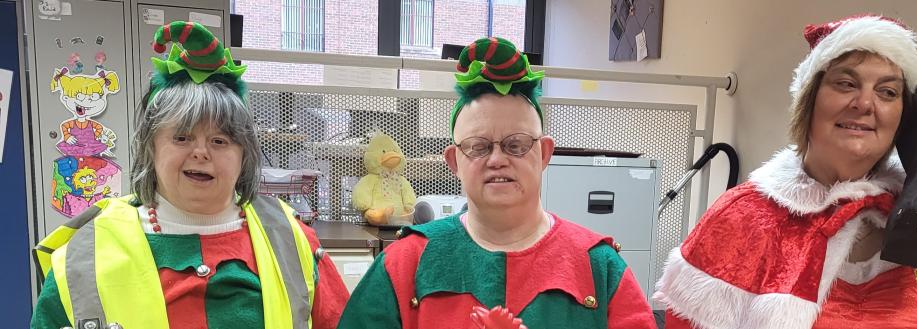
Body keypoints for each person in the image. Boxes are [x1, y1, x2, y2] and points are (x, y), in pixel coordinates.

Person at [653, 15, 917, 328]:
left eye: (888, 92)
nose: (865, 104)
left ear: (904, 117)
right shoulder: (739, 220)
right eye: (845, 83)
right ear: (809, 101)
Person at [30, 21, 350, 329]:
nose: (201, 152)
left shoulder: (290, 239)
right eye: (182, 138)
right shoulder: (88, 253)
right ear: (151, 147)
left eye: (220, 141)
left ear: (244, 155)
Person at [338, 37, 657, 328]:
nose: (497, 159)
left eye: (516, 144)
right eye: (478, 146)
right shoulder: (406, 262)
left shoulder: (598, 267)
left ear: (544, 153)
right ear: (454, 162)